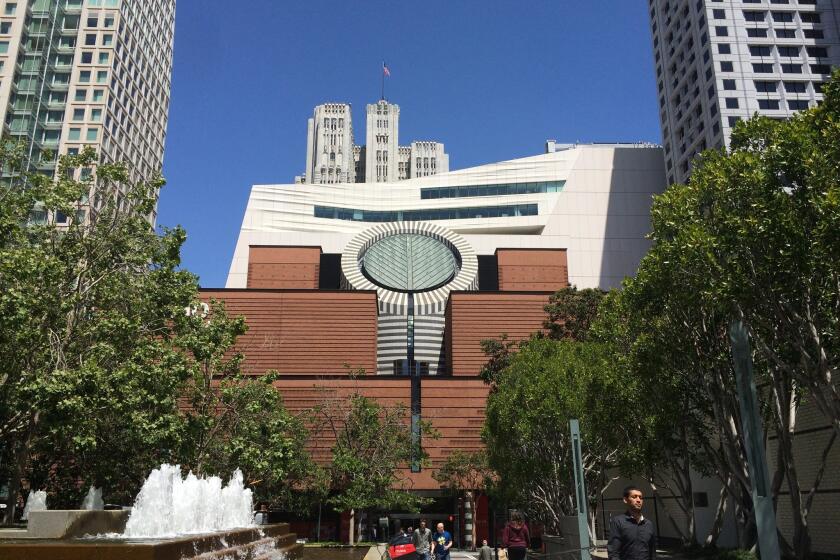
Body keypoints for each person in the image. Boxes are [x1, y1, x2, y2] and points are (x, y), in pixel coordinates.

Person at [608, 485, 656, 560]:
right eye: (634, 497)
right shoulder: (618, 522)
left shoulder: (649, 524)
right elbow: (613, 552)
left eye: (640, 497)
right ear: (625, 500)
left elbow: (652, 553)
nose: (638, 500)